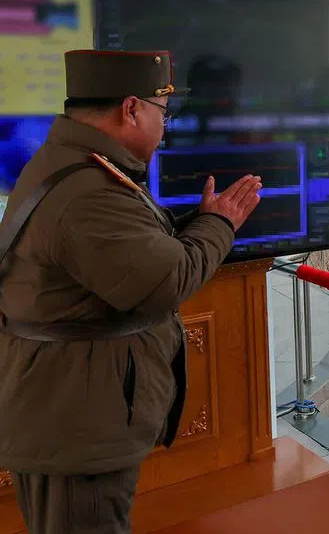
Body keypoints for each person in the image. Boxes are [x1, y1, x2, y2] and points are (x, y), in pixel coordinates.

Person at [0, 50, 262, 534]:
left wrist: (200, 222)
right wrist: (220, 224)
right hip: (77, 429)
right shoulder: (90, 192)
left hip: (70, 413)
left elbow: (134, 251)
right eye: (163, 113)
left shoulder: (78, 166)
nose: (165, 128)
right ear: (131, 109)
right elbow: (165, 282)